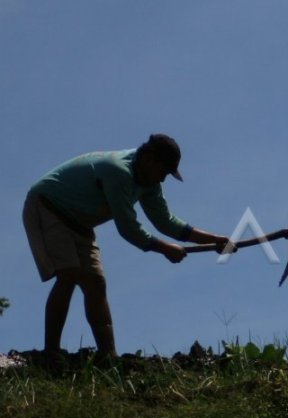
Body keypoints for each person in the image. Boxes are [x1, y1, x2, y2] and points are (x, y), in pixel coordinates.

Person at [22, 134, 231, 357]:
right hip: (47, 206)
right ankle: (51, 353)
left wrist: (215, 240)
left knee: (96, 283)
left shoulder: (149, 183)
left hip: (80, 223)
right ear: (149, 159)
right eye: (163, 171)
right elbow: (128, 228)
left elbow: (166, 221)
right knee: (69, 273)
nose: (163, 180)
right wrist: (165, 249)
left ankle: (109, 357)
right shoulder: (118, 172)